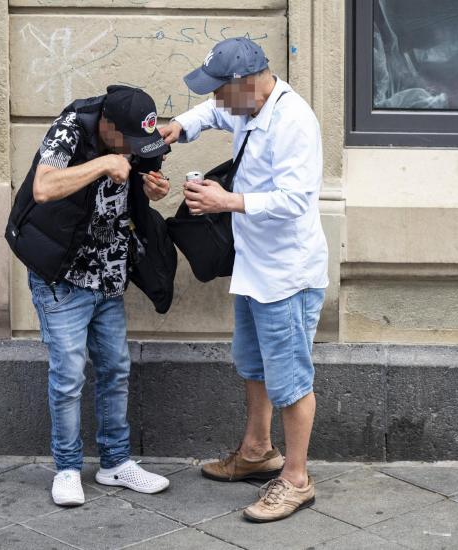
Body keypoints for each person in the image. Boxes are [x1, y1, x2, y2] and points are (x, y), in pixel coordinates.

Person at [160, 37, 328, 522]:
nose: (215, 100)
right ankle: (257, 451)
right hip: (255, 268)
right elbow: (210, 116)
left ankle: (296, 480)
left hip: (286, 275)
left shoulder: (294, 122)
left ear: (248, 83)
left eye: (220, 91)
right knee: (252, 364)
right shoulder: (244, 104)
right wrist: (178, 127)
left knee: (291, 379)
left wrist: (226, 202)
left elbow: (297, 199)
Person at [6, 86, 174, 506]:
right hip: (62, 278)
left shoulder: (137, 138)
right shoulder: (71, 129)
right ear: (107, 126)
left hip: (110, 274)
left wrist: (153, 188)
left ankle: (116, 462)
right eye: (129, 144)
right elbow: (43, 187)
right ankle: (66, 468)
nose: (137, 151)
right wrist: (103, 163)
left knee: (116, 369)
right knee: (68, 376)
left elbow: (145, 177)